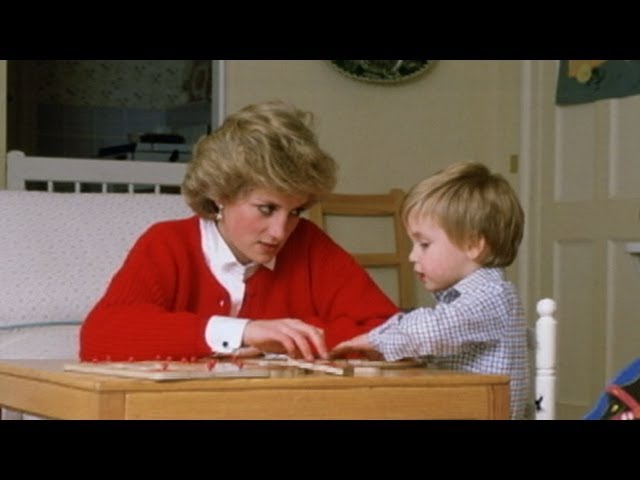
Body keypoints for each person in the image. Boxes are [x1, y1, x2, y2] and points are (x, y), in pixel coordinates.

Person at [80, 100, 399, 362]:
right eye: (267, 208)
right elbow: (100, 336)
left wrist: (282, 340)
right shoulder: (167, 243)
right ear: (220, 194)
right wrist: (243, 331)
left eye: (295, 211)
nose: (280, 232)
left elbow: (390, 332)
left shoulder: (308, 243)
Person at [331, 162, 530, 420]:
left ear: (473, 245)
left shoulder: (493, 296)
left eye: (424, 244)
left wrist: (376, 339)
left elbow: (434, 329)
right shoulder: (466, 299)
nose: (412, 256)